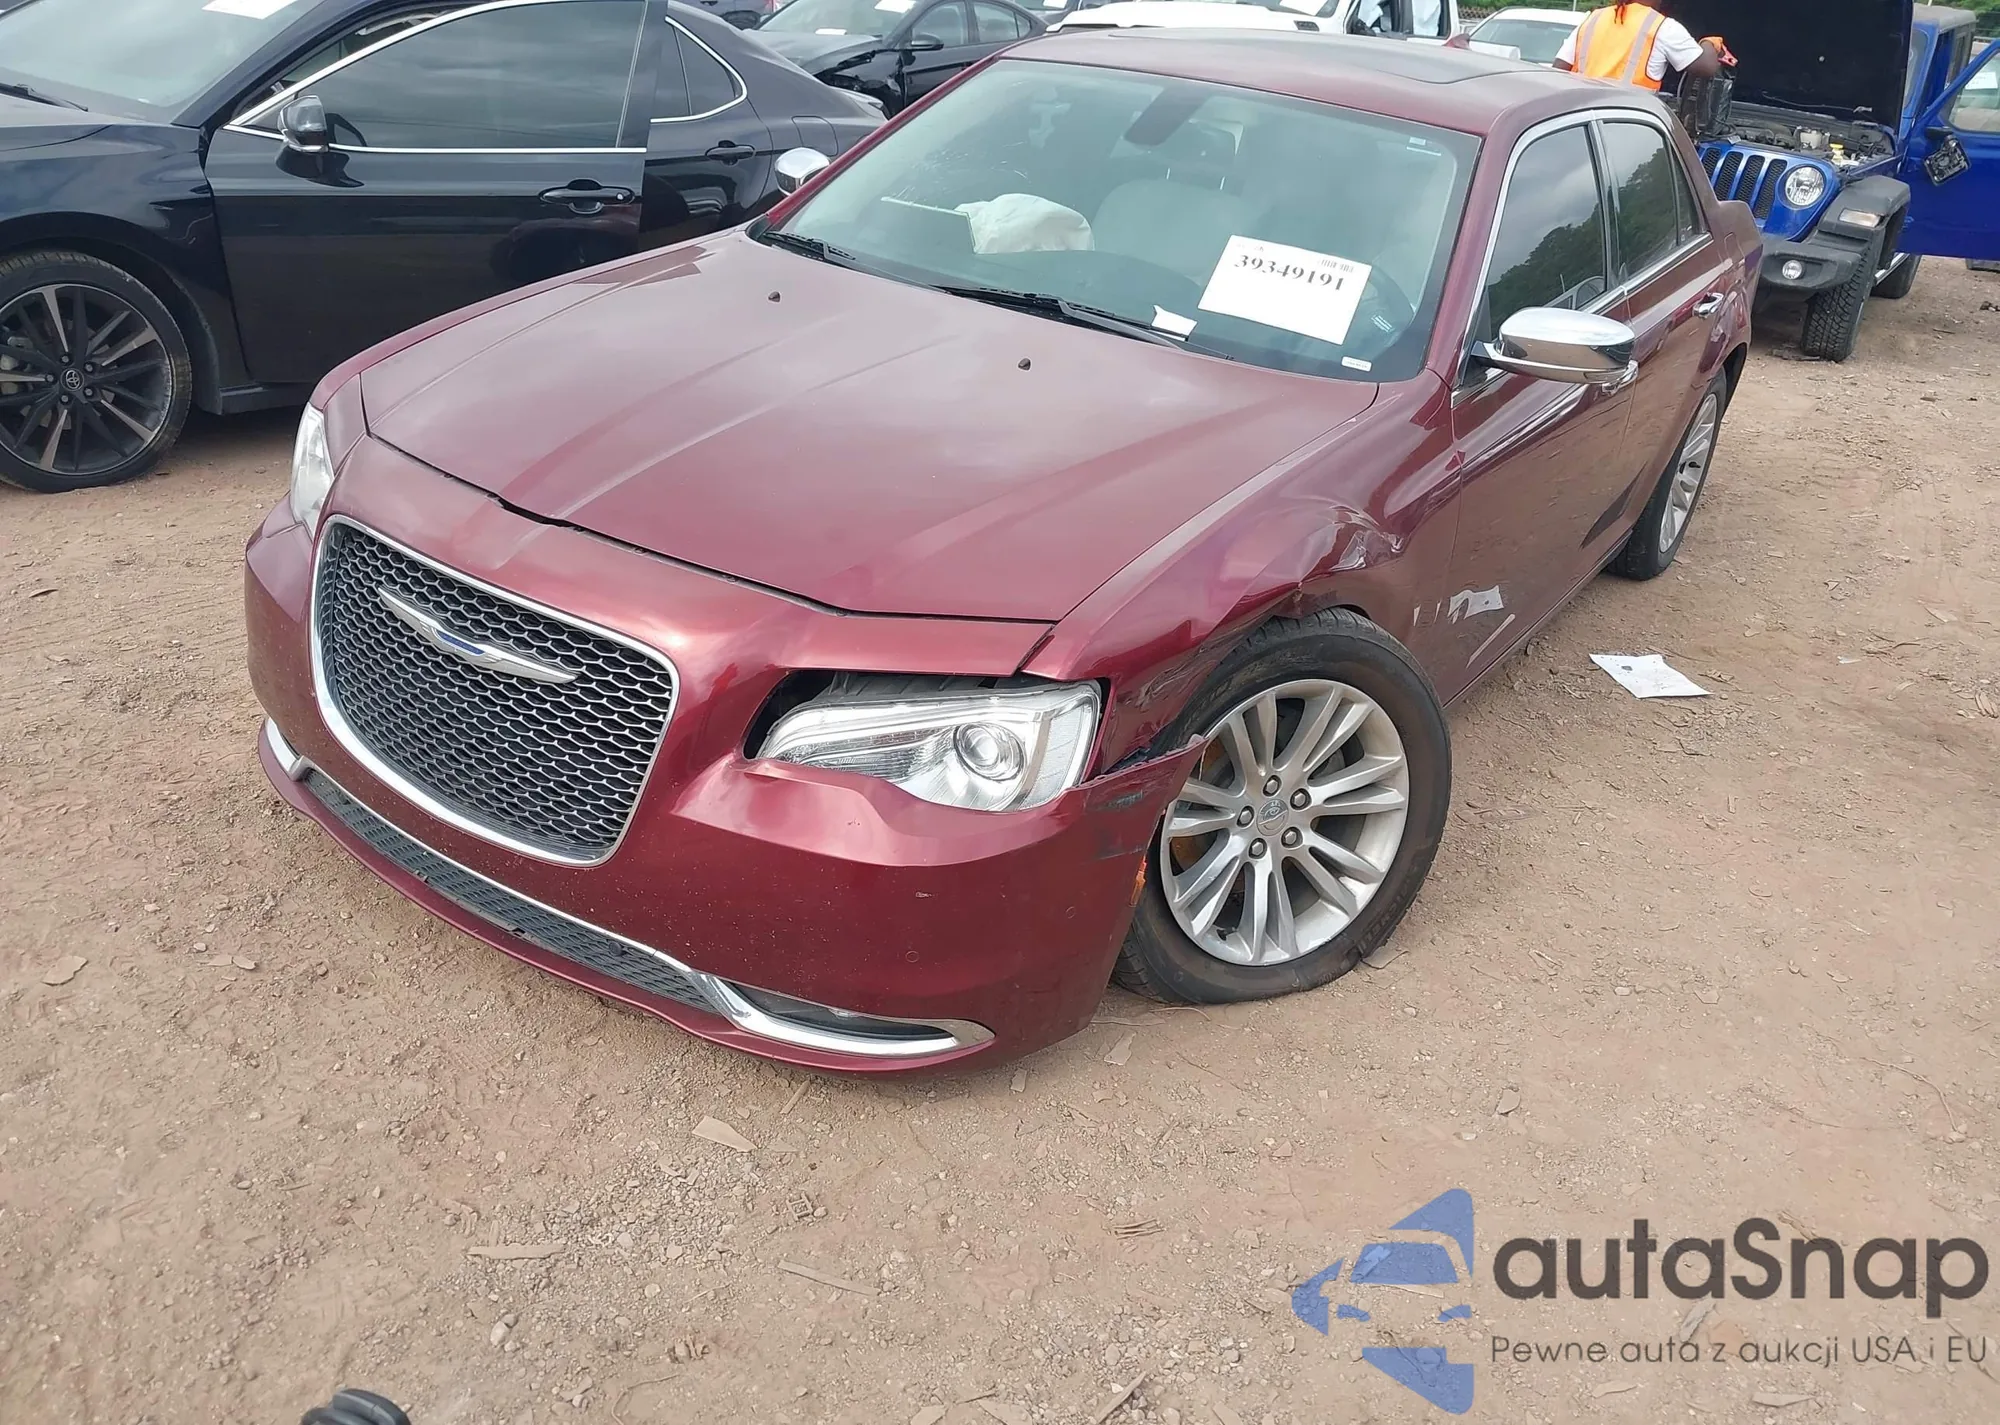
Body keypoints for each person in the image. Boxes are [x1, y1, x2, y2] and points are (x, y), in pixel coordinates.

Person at [1553, 2, 1724, 92]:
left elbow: (1559, 69)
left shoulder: (1593, 18)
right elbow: (1707, 67)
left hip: (1583, 124)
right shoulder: (1663, 26)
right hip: (1630, 125)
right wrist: (1711, 43)